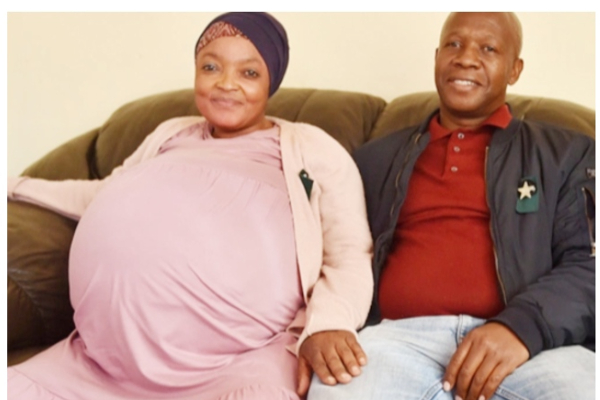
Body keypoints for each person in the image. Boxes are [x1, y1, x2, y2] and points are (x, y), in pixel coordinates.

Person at [7, 12, 373, 400]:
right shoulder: (169, 133)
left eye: (249, 73)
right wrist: (16, 186)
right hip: (98, 361)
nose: (226, 83)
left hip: (236, 364)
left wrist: (329, 323)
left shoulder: (313, 149)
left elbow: (349, 252)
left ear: (272, 82)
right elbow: (102, 195)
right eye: (211, 67)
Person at [307, 12, 595, 400]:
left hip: (527, 346)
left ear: (514, 70)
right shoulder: (374, 160)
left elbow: (589, 265)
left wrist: (520, 327)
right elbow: (327, 251)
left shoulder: (567, 154)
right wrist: (321, 325)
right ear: (437, 57)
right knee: (335, 393)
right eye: (454, 44)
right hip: (396, 343)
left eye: (488, 49)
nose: (466, 58)